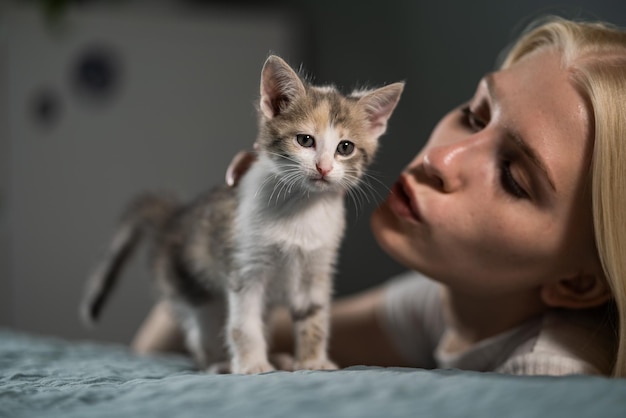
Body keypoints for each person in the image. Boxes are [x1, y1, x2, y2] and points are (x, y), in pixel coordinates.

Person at [132, 16, 626, 377]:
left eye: (515, 179)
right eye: (474, 115)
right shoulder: (447, 303)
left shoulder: (550, 374)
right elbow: (174, 334)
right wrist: (243, 225)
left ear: (578, 284)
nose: (442, 159)